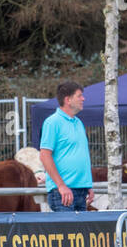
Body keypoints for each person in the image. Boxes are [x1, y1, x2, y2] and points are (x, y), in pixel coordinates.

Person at [39, 81, 92, 212]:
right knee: (68, 232)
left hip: (81, 191)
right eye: (79, 96)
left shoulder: (79, 123)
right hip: (62, 193)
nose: (83, 99)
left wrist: (88, 185)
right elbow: (45, 155)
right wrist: (61, 186)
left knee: (82, 232)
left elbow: (80, 155)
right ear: (68, 100)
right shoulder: (52, 123)